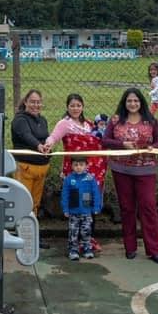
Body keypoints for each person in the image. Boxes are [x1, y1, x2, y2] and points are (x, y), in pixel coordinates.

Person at [102, 87, 158, 264]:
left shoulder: (151, 121)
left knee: (148, 207)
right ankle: (130, 247)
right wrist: (122, 144)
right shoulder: (115, 120)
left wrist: (155, 147)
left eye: (136, 101)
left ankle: (154, 249)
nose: (133, 104)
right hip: (121, 170)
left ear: (141, 102)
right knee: (127, 208)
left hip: (146, 169)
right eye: (129, 101)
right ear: (124, 102)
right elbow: (105, 140)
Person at [45, 93, 105, 253]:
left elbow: (100, 139)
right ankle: (74, 242)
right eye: (72, 105)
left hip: (92, 174)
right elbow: (53, 138)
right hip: (74, 175)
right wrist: (47, 145)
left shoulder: (89, 124)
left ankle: (88, 240)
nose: (75, 108)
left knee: (88, 205)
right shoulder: (64, 124)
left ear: (83, 107)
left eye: (78, 105)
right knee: (75, 206)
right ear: (67, 107)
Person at [12, 89, 51, 247]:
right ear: (25, 102)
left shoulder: (43, 120)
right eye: (33, 102)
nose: (36, 105)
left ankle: (31, 234)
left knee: (35, 203)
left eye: (38, 102)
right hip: (25, 168)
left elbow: (46, 137)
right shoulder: (20, 120)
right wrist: (38, 146)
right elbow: (27, 135)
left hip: (41, 168)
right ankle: (22, 235)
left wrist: (48, 145)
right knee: (24, 203)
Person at [60, 156, 102, 261]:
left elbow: (96, 193)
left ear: (86, 166)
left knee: (86, 230)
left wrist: (96, 207)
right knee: (73, 231)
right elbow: (65, 195)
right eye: (76, 165)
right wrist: (65, 209)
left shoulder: (90, 178)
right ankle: (73, 250)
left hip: (86, 210)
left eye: (81, 165)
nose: (78, 167)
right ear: (72, 166)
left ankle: (87, 248)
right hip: (73, 211)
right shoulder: (69, 179)